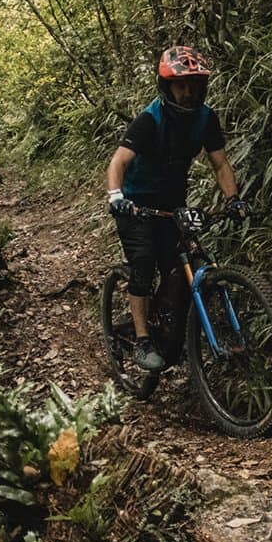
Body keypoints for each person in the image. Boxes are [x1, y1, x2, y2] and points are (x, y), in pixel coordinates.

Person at [106, 45, 248, 369]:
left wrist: (233, 199)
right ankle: (143, 342)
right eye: (182, 85)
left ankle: (173, 329)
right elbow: (118, 163)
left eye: (195, 86)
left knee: (183, 264)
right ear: (167, 87)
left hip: (173, 203)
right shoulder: (149, 120)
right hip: (137, 205)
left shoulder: (205, 119)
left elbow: (221, 165)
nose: (188, 92)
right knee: (143, 263)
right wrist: (117, 198)